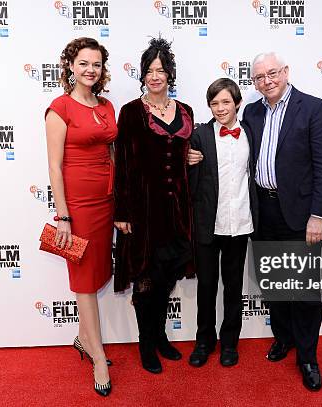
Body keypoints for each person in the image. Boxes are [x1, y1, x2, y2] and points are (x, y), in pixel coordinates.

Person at [242, 52, 322, 391]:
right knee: (273, 284)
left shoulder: (313, 108)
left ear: (286, 72)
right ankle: (284, 339)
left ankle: (308, 356)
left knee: (304, 290)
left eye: (272, 73)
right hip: (263, 212)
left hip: (301, 216)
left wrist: (318, 215)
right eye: (259, 77)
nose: (266, 81)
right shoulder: (251, 112)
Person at [113, 37, 195, 374]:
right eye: (149, 70)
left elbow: (187, 153)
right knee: (145, 280)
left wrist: (195, 157)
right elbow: (122, 164)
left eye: (161, 69)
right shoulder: (131, 112)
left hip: (177, 211)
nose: (155, 75)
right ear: (142, 75)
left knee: (165, 280)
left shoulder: (186, 110)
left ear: (170, 74)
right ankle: (147, 344)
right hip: (143, 211)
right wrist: (121, 212)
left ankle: (160, 337)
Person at [45, 37, 116, 397]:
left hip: (106, 202)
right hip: (78, 206)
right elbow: (55, 167)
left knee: (98, 272)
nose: (91, 70)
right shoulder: (59, 108)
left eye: (97, 64)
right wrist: (63, 216)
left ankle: (83, 339)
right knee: (85, 279)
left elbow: (113, 154)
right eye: (84, 63)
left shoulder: (106, 106)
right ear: (70, 66)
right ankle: (99, 356)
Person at [187, 78, 257, 368]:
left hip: (239, 223)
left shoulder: (252, 133)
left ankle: (230, 343)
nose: (220, 108)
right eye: (214, 103)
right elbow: (187, 181)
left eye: (225, 102)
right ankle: (204, 341)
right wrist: (185, 160)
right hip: (207, 224)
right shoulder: (200, 136)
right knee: (206, 286)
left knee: (232, 287)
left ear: (237, 103)